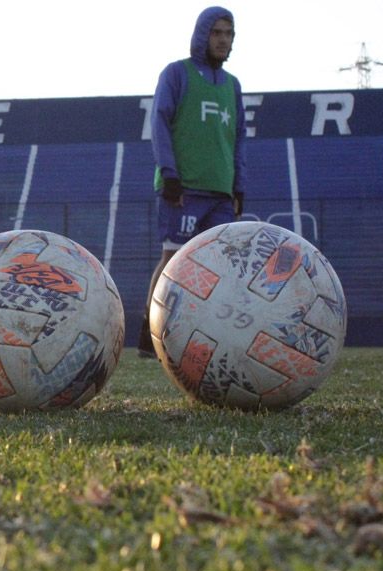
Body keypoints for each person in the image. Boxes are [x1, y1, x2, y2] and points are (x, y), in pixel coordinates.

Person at [138, 6, 247, 358]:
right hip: (183, 190)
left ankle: (208, 334)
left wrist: (238, 186)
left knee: (221, 266)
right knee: (172, 260)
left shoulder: (233, 86)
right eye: (217, 33)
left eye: (229, 34)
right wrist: (170, 174)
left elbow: (239, 138)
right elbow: (159, 122)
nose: (223, 40)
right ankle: (148, 332)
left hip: (220, 193)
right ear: (203, 35)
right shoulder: (177, 74)